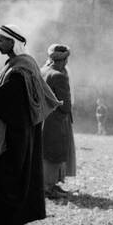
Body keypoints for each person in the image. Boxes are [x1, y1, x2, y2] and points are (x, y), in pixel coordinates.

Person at [0, 25, 60, 225]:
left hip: (11, 136)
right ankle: (9, 221)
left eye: (1, 40)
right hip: (21, 135)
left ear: (13, 43)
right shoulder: (23, 65)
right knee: (13, 179)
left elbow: (11, 100)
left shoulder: (19, 71)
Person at [40, 44, 76, 199]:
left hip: (43, 118)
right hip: (57, 121)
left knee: (45, 152)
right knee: (55, 152)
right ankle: (49, 187)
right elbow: (66, 105)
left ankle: (46, 185)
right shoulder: (59, 76)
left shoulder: (43, 71)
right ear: (65, 59)